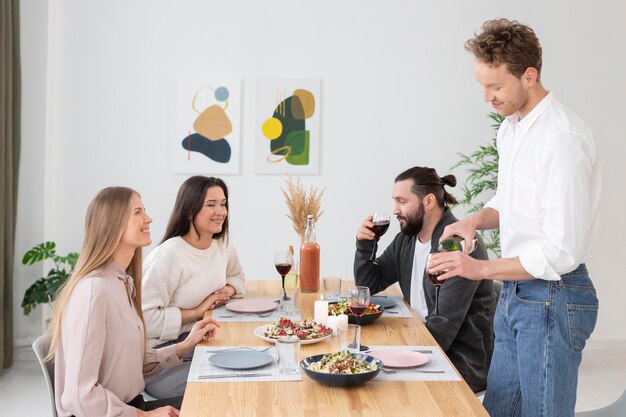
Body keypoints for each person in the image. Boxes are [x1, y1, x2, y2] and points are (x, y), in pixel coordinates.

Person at [429, 19, 601, 417]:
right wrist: (473, 220)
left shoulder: (561, 140)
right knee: (500, 410)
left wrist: (477, 270)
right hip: (517, 293)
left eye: (496, 86)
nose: (487, 97)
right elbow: (510, 201)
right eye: (482, 86)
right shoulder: (511, 129)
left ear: (529, 75)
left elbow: (561, 252)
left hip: (554, 296)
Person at [47, 187, 219, 417]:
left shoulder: (121, 282)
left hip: (129, 408)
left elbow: (128, 363)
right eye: (138, 212)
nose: (149, 218)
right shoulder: (93, 291)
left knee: (219, 397)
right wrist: (145, 416)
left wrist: (184, 346)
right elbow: (80, 396)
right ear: (113, 223)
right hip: (119, 413)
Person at [354, 166, 496, 392]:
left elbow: (443, 329)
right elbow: (370, 285)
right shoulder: (407, 240)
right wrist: (365, 245)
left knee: (370, 385)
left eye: (402, 201)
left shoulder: (458, 245)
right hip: (421, 346)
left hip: (456, 364)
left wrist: (391, 348)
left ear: (428, 201)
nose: (395, 210)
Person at [141, 176, 245, 398]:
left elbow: (237, 277)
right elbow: (145, 320)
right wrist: (197, 312)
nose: (221, 211)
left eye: (223, 203)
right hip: (162, 359)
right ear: (189, 211)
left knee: (253, 369)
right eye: (211, 204)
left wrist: (226, 291)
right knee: (229, 388)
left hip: (199, 342)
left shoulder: (222, 244)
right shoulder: (169, 255)